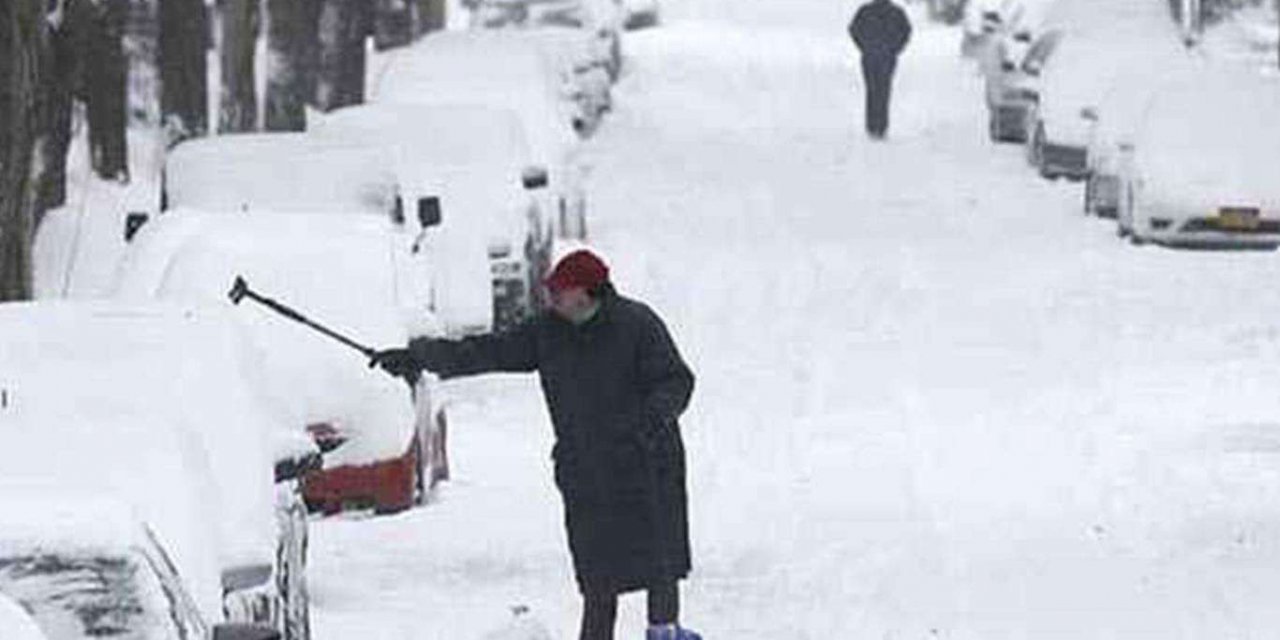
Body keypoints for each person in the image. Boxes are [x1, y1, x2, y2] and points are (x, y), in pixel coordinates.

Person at [371, 246, 701, 640]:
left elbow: (676, 380)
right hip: (587, 470)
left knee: (657, 563)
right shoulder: (548, 332)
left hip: (646, 464)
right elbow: (486, 351)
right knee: (598, 576)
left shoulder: (637, 324)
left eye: (559, 292)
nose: (551, 299)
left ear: (586, 293)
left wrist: (651, 420)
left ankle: (663, 631)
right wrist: (418, 357)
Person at [848, 0, 913, 139]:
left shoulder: (865, 11)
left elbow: (854, 30)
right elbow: (906, 31)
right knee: (884, 90)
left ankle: (872, 125)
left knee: (871, 90)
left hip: (870, 56)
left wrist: (864, 47)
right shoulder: (896, 12)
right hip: (887, 57)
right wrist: (896, 48)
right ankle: (881, 126)